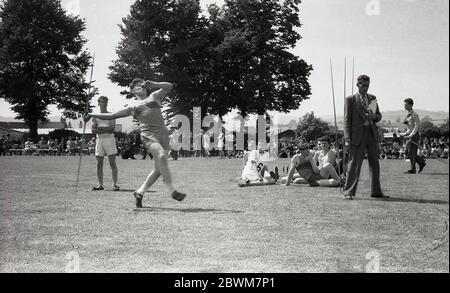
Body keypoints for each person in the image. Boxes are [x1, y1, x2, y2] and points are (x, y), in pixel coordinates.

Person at [84, 79, 186, 208]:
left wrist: (155, 84)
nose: (142, 87)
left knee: (159, 169)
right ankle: (172, 191)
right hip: (149, 135)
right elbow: (111, 116)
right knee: (161, 156)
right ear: (133, 91)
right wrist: (91, 114)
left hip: (163, 134)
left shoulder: (154, 96)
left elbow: (169, 86)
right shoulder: (133, 107)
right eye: (138, 86)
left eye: (143, 85)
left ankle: (139, 192)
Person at [343, 75, 387, 200]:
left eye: (367, 85)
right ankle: (349, 192)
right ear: (357, 85)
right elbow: (346, 120)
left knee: (375, 163)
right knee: (354, 164)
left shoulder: (372, 98)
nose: (366, 88)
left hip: (372, 133)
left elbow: (378, 115)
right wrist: (347, 137)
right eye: (363, 85)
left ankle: (376, 192)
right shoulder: (350, 99)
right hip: (357, 136)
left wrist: (374, 117)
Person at [90, 96, 120, 191]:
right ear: (98, 103)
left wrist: (100, 128)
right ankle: (100, 185)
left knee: (112, 163)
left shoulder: (111, 115)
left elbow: (112, 129)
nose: (104, 104)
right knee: (99, 163)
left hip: (110, 140)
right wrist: (104, 129)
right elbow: (93, 130)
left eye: (106, 102)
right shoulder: (95, 115)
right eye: (102, 102)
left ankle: (115, 184)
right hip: (100, 140)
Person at [401, 98, 426, 174]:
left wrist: (410, 135)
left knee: (411, 152)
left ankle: (413, 169)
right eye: (404, 104)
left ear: (411, 105)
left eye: (406, 104)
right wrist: (405, 134)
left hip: (414, 135)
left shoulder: (414, 114)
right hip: (410, 135)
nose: (404, 106)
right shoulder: (407, 115)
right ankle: (421, 162)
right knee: (409, 152)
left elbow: (416, 126)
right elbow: (409, 127)